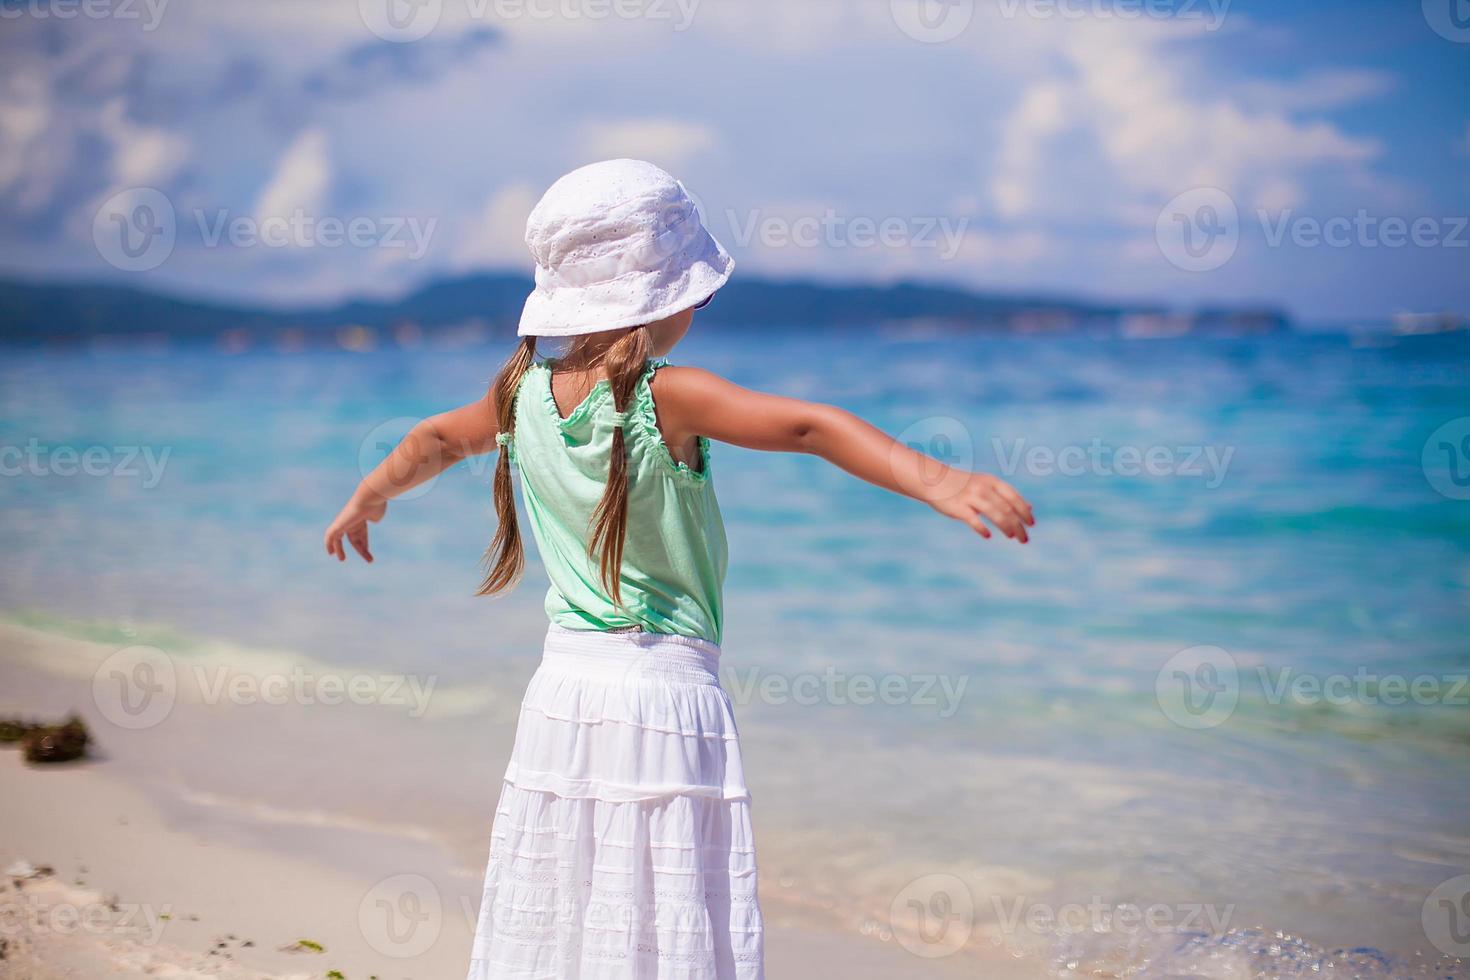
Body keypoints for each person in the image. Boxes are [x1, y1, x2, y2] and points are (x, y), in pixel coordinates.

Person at [324, 159, 1035, 979]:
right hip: (665, 695)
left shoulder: (519, 394)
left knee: (570, 897)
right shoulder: (667, 395)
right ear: (671, 296)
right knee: (665, 915)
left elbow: (433, 442)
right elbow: (805, 427)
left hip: (563, 693)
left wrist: (368, 497)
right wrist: (937, 477)